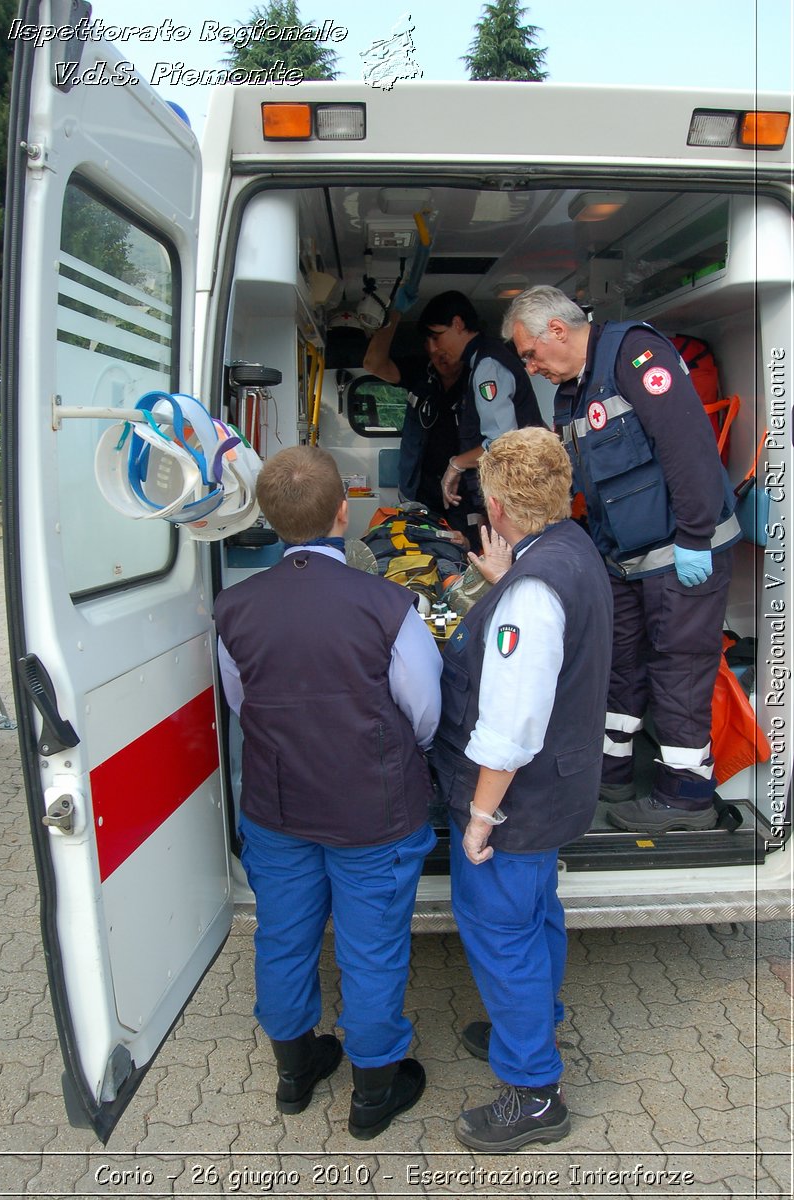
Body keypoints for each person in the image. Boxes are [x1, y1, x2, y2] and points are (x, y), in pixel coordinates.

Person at [213, 444, 443, 1140]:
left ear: (268, 518)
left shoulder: (234, 607)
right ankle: (373, 1093)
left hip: (279, 807)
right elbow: (424, 709)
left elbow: (241, 698)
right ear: (346, 513)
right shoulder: (389, 604)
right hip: (372, 810)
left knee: (284, 936)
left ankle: (295, 1070)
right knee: (371, 949)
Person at [430, 427, 613, 1151]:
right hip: (560, 787)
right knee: (537, 916)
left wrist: (479, 817)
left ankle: (535, 1091)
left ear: (497, 506)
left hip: (516, 800)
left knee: (501, 931)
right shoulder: (570, 551)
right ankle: (530, 1016)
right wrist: (508, 578)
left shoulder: (532, 593)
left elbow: (509, 725)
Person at [501, 285, 741, 833]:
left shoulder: (635, 356)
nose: (532, 369)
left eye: (531, 354)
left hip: (682, 551)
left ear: (557, 331)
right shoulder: (574, 390)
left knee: (678, 667)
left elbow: (688, 448)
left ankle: (686, 797)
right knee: (617, 666)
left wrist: (697, 537)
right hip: (625, 559)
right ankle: (610, 773)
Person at [413, 291, 545, 516]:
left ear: (457, 324)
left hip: (522, 493)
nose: (433, 349)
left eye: (437, 337)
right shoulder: (482, 361)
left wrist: (456, 464)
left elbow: (503, 443)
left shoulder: (488, 366)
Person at [363, 302, 475, 538]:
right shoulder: (421, 373)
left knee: (465, 553)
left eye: (438, 339)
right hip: (419, 493)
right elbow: (372, 364)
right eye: (428, 342)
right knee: (419, 553)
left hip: (464, 494)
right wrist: (394, 312)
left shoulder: (478, 377)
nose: (435, 350)